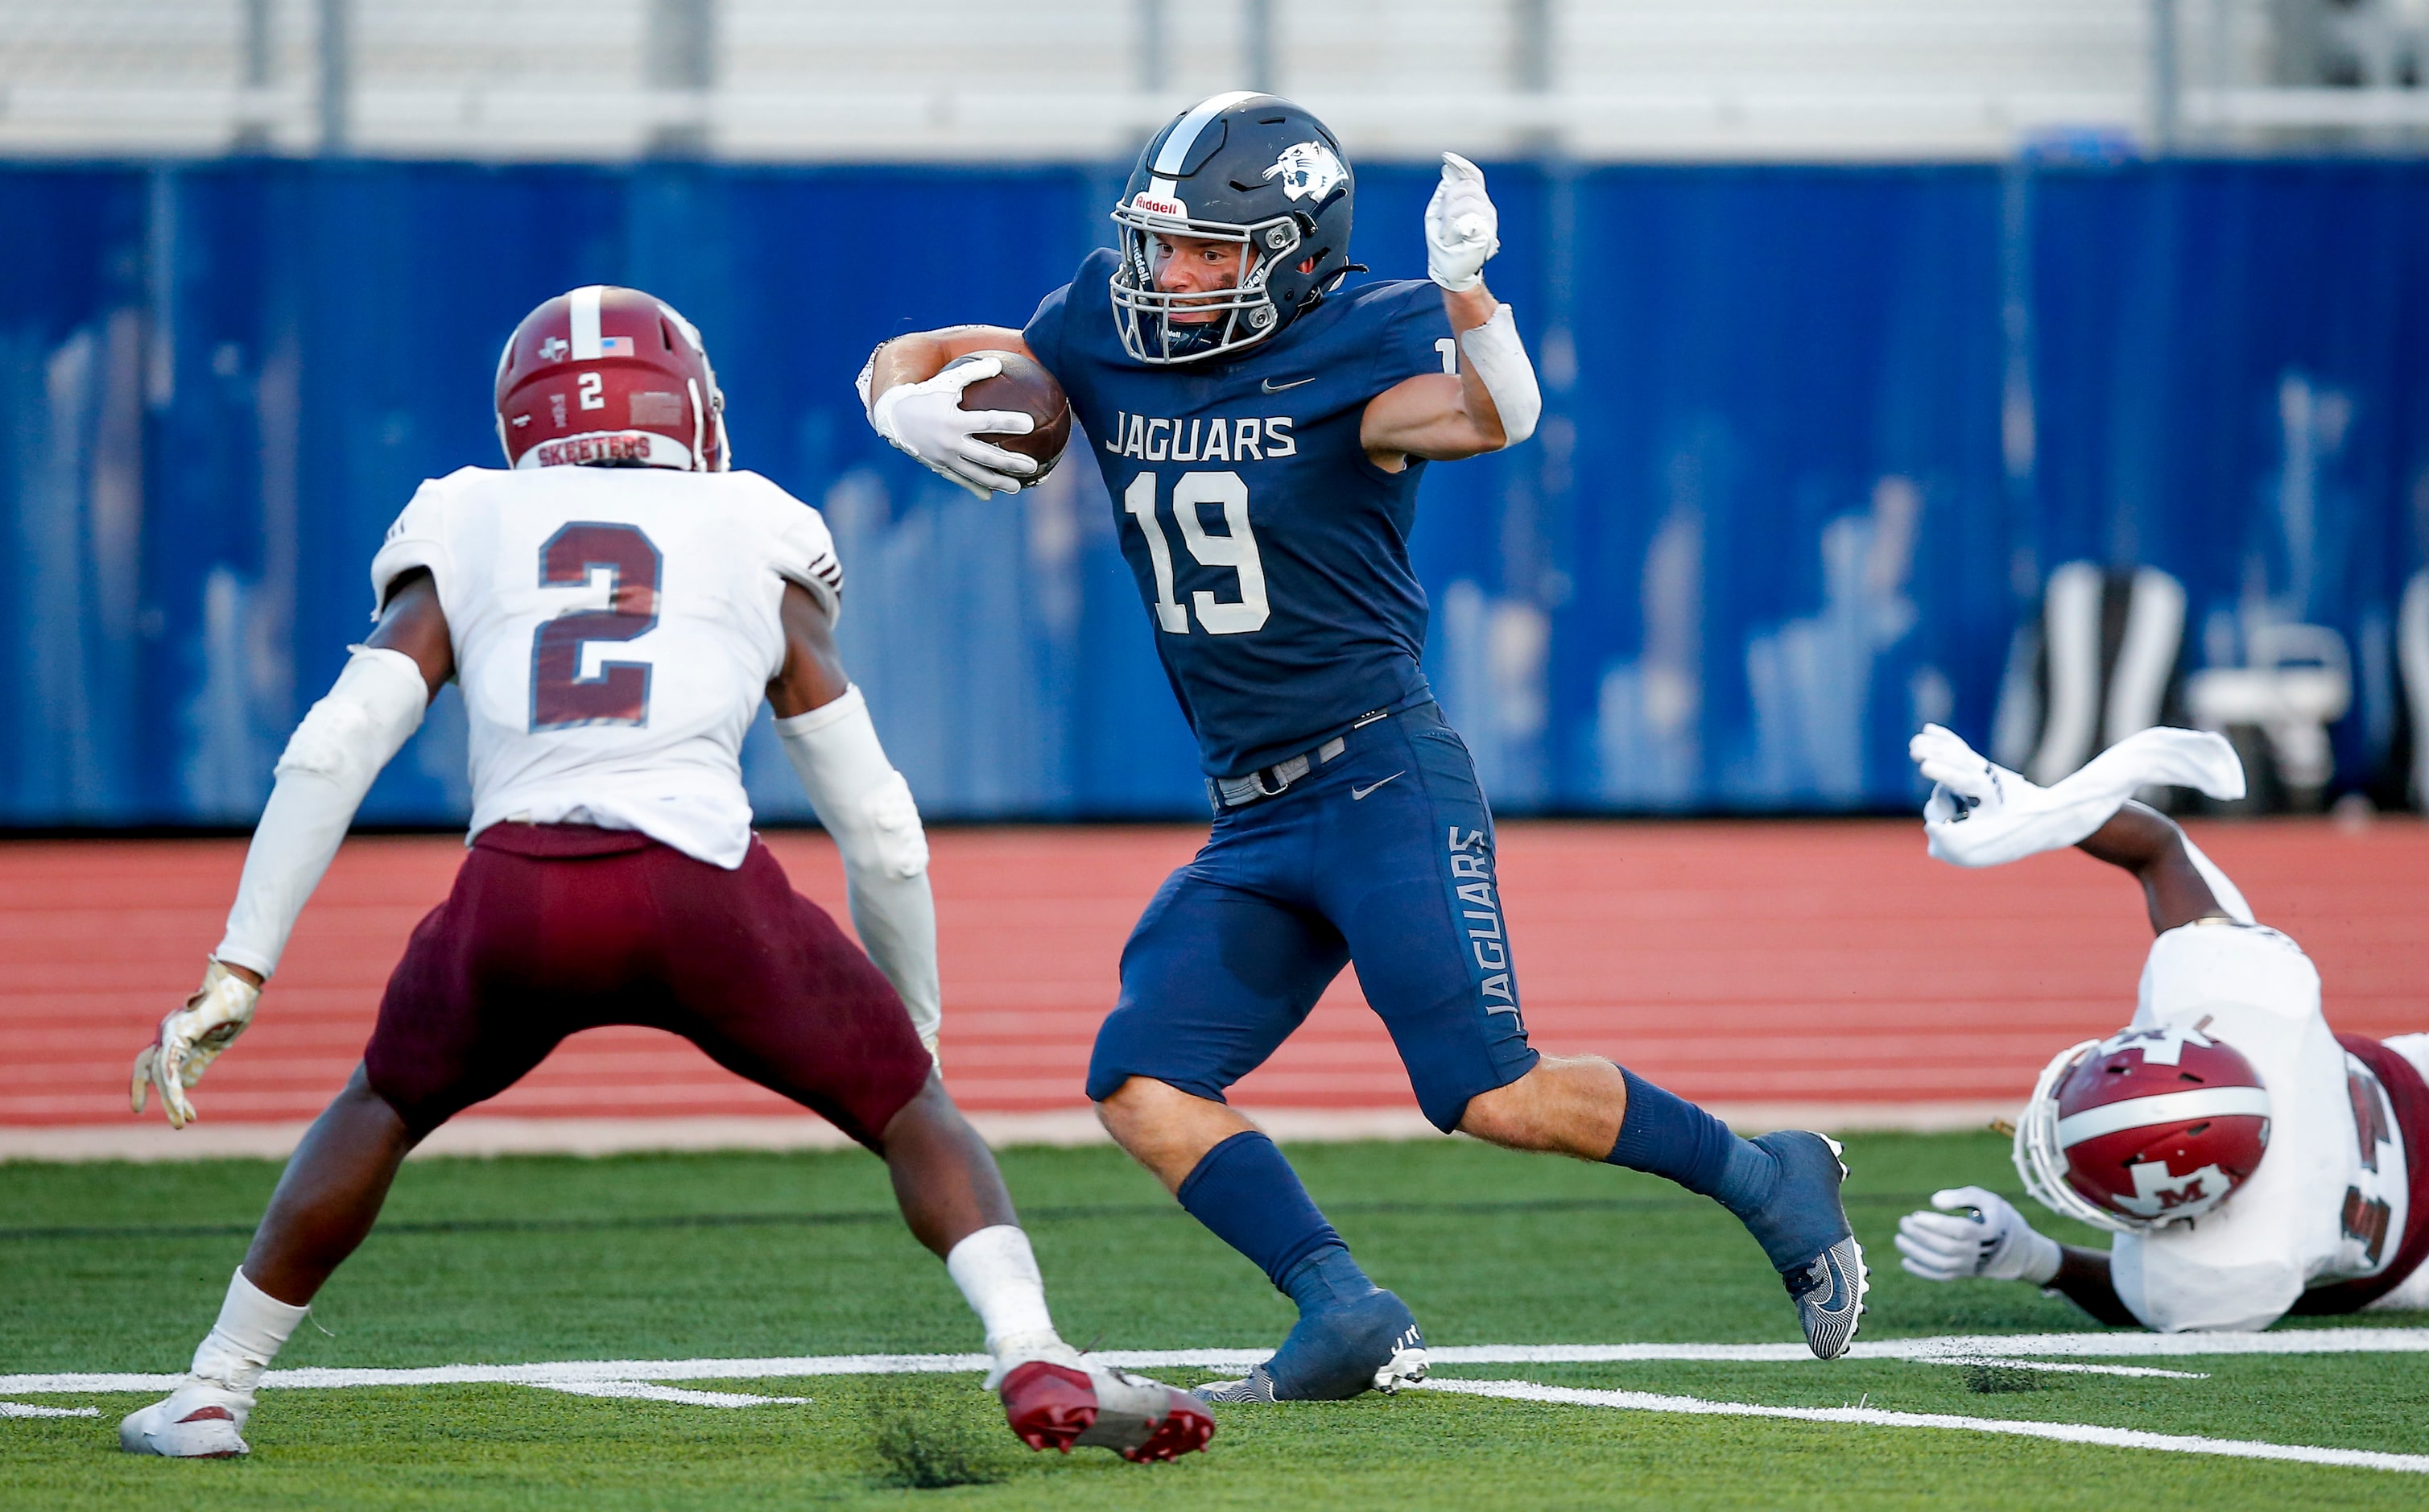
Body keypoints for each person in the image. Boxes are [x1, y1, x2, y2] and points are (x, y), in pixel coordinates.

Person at [857, 93, 1866, 1403]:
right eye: (1161, 244)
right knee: (1142, 1078)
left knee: (1488, 1093)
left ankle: (1763, 1168)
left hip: (1380, 775)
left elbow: (1495, 416)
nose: (1171, 274)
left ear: (1295, 250)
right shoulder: (1109, 325)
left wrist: (1472, 296)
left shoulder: (1363, 343)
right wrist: (898, 405)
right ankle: (1342, 1302)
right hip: (1253, 814)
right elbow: (924, 344)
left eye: (1210, 250)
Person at [117, 285, 1212, 1464]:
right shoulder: (752, 519)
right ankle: (1030, 1345)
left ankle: (215, 1390)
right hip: (704, 892)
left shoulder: (467, 513)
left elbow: (334, 745)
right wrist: (917, 1034)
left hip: (517, 893)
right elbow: (881, 824)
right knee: (912, 1117)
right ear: (684, 403)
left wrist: (239, 966)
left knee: (379, 1106)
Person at [1894, 723, 2429, 1330]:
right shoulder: (2243, 1000)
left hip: (2413, 1262)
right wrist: (2032, 806)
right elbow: (2158, 849)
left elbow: (2135, 1299)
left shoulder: (2228, 1270)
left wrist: (2036, 1258)